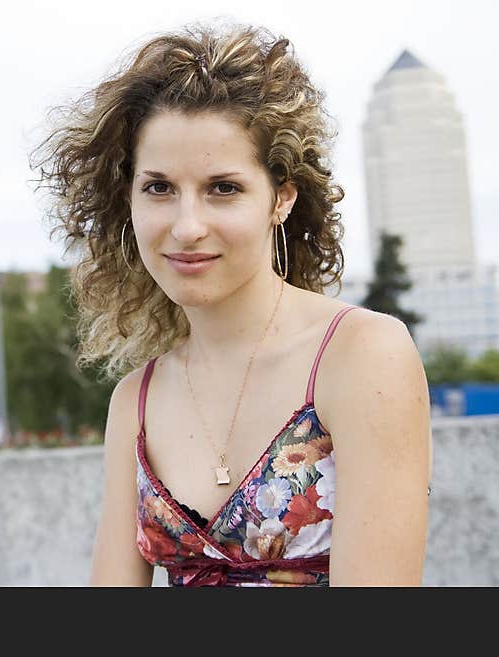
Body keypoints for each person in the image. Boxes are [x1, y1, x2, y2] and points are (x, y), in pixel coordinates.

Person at [30, 20, 432, 586]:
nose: (187, 227)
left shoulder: (362, 355)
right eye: (159, 187)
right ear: (129, 200)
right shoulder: (135, 403)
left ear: (282, 198)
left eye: (224, 188)